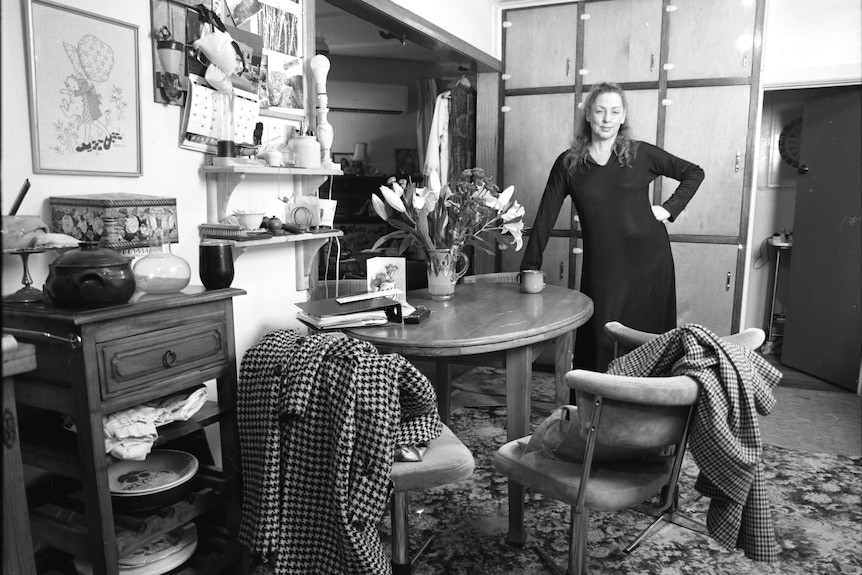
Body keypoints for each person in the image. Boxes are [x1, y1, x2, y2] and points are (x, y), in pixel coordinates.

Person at [521, 82, 705, 372]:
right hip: (604, 265)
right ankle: (594, 407)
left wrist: (670, 209)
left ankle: (647, 408)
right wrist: (529, 266)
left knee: (649, 340)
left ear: (623, 117)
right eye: (601, 111)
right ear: (589, 116)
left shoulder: (642, 154)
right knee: (600, 338)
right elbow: (545, 215)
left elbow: (693, 172)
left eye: (614, 111)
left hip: (650, 262)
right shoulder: (569, 163)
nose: (607, 118)